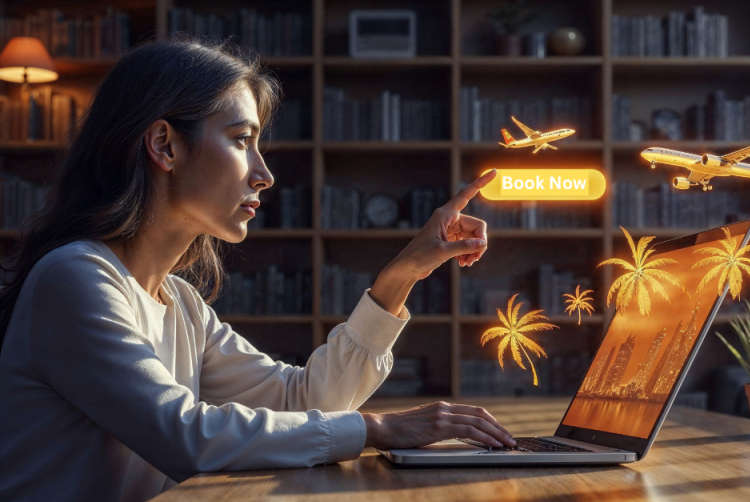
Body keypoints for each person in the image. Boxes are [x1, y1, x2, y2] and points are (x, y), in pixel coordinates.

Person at [0, 38, 515, 502]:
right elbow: (186, 438)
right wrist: (377, 429)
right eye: (242, 140)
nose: (264, 175)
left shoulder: (179, 302)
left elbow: (306, 400)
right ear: (165, 145)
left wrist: (403, 273)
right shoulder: (74, 278)